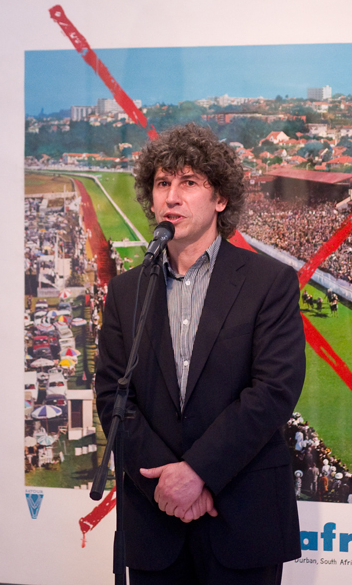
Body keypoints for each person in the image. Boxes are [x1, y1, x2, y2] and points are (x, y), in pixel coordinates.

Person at [96, 124, 306, 585]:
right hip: (154, 518)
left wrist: (199, 473)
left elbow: (274, 391)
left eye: (189, 182)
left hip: (242, 514)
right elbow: (114, 397)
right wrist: (167, 485)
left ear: (221, 199)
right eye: (162, 183)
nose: (172, 197)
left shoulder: (269, 282)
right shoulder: (127, 291)